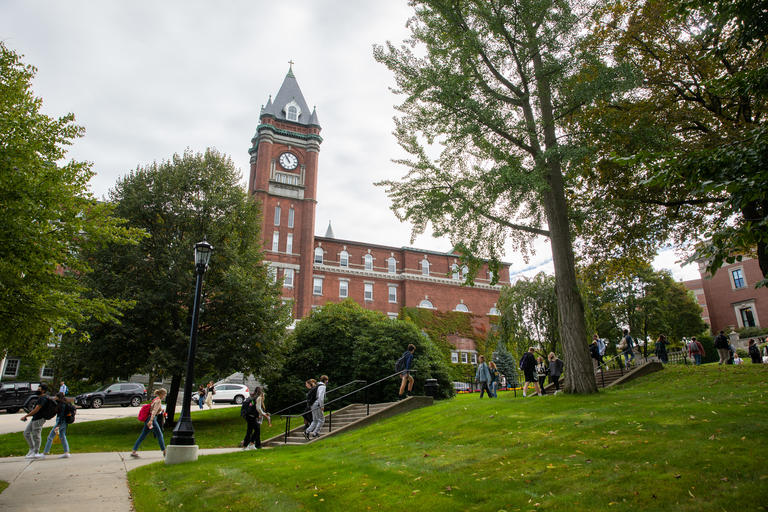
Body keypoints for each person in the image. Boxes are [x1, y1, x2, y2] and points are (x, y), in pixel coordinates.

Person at [130, 388, 167, 458]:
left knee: (143, 435)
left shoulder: (155, 399)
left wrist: (161, 410)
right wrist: (151, 421)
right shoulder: (158, 400)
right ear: (162, 394)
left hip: (148, 419)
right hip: (152, 419)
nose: (165, 396)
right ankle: (164, 451)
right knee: (159, 434)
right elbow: (153, 411)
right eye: (165, 394)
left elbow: (153, 409)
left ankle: (134, 451)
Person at [20, 383, 50, 459]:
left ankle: (36, 452)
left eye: (39, 389)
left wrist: (26, 416)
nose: (37, 390)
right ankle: (32, 449)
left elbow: (36, 409)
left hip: (39, 419)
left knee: (36, 435)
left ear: (43, 391)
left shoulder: (43, 398)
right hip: (35, 418)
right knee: (26, 433)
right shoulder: (40, 397)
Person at [42, 392, 71, 459]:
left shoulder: (61, 405)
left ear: (58, 397)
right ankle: (66, 452)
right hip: (64, 422)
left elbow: (61, 415)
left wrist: (58, 425)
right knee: (62, 436)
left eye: (56, 396)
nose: (55, 398)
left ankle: (45, 453)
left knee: (50, 437)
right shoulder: (65, 403)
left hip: (60, 422)